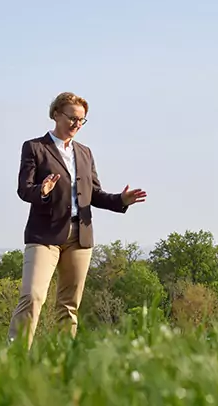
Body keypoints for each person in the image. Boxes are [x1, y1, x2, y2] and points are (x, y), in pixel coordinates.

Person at [8, 92, 147, 349]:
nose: (76, 124)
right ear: (56, 115)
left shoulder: (85, 153)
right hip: (44, 236)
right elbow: (24, 189)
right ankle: (16, 358)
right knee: (33, 296)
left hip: (80, 237)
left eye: (82, 120)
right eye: (72, 118)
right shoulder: (35, 148)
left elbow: (94, 194)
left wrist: (121, 200)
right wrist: (42, 190)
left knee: (69, 306)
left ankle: (61, 361)